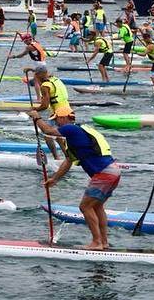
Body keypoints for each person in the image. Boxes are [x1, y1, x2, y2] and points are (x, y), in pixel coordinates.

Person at [28, 106, 120, 251]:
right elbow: (68, 161)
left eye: (57, 120)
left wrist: (36, 117)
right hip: (113, 171)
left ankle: (97, 243)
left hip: (104, 173)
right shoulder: (76, 136)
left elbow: (48, 131)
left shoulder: (71, 128)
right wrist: (54, 179)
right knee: (97, 206)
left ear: (64, 118)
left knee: (85, 207)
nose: (56, 123)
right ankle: (103, 242)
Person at [29, 66, 70, 159]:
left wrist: (34, 110)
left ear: (39, 75)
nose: (35, 77)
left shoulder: (45, 87)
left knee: (48, 135)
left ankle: (58, 158)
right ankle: (67, 157)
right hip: (68, 111)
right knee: (59, 136)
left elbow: (45, 106)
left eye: (36, 75)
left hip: (58, 114)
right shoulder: (55, 79)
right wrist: (30, 69)